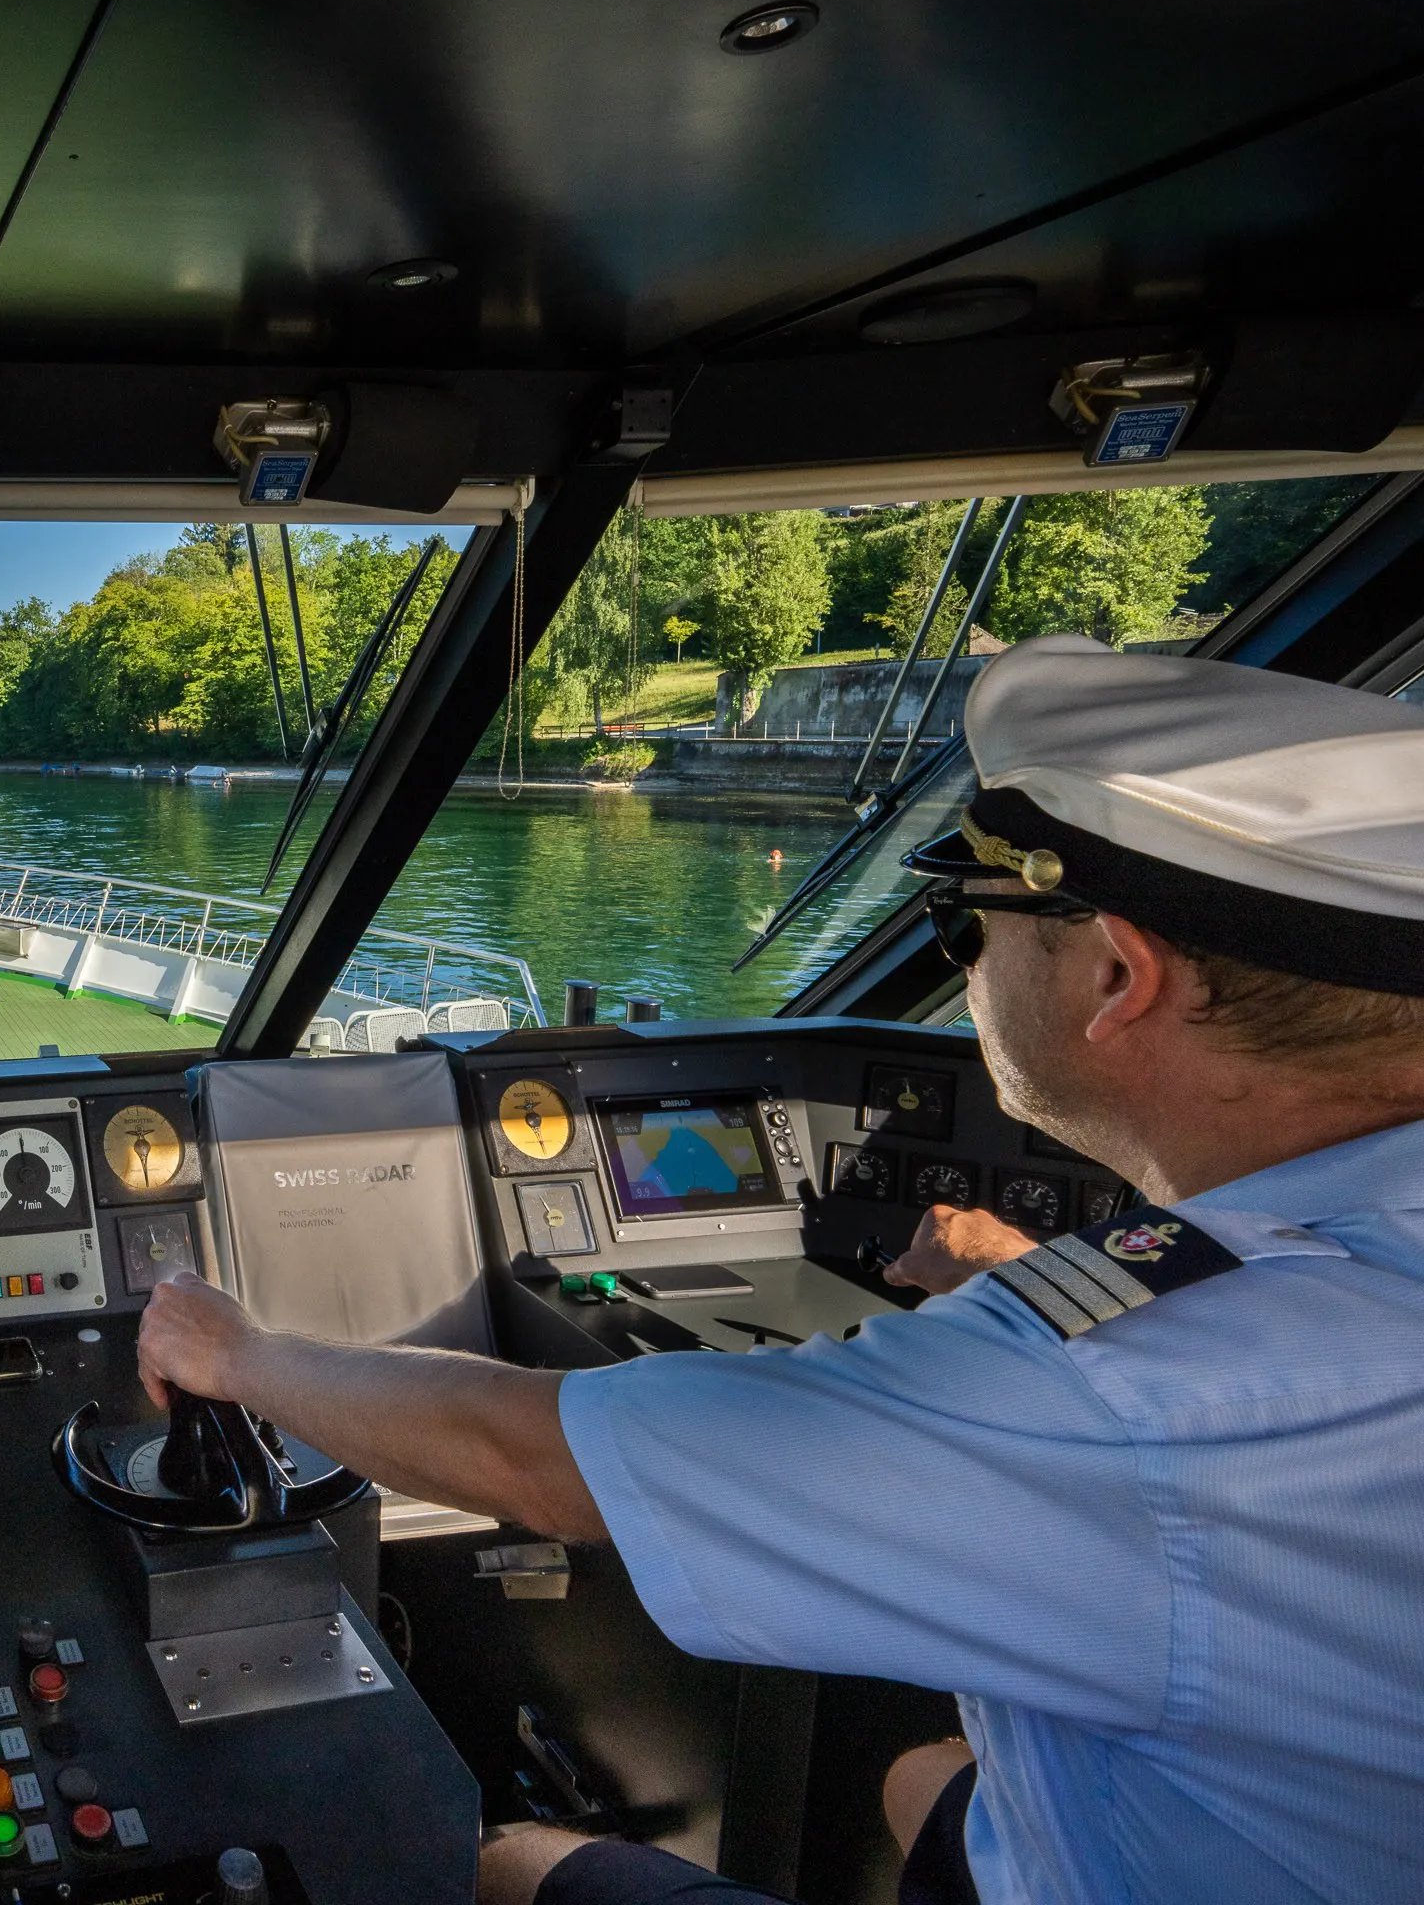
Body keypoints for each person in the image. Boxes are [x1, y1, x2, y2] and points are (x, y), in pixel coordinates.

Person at [138, 636, 1424, 1905]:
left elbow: (527, 1453)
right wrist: (1023, 1285)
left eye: (962, 924)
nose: (960, 966)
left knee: (514, 1862)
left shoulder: (1124, 1388)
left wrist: (235, 1352)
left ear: (1117, 975)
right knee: (926, 1770)